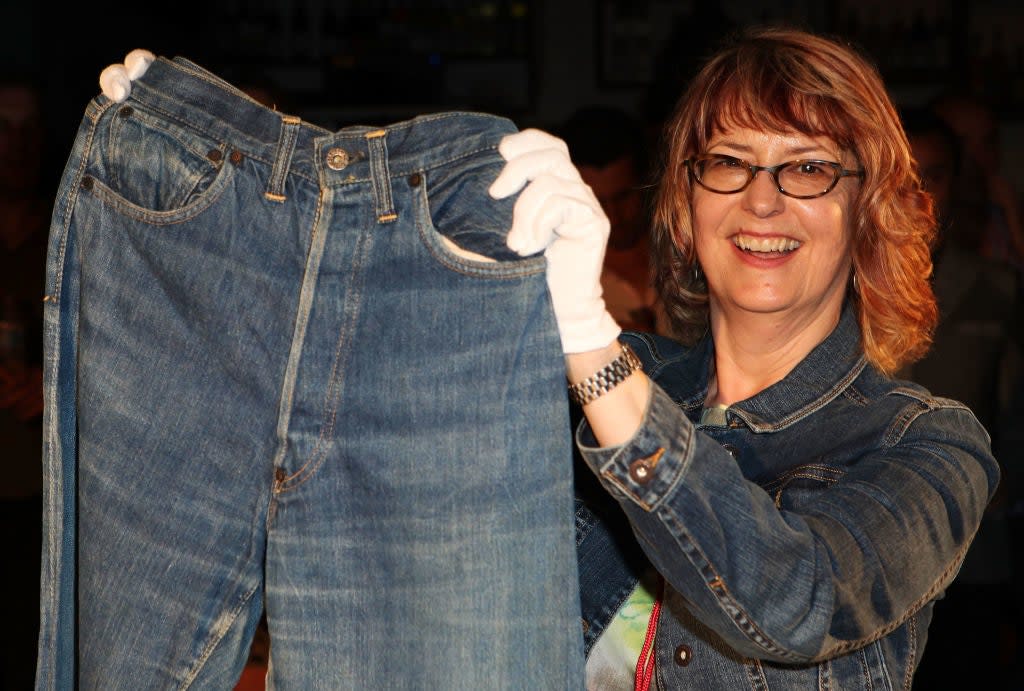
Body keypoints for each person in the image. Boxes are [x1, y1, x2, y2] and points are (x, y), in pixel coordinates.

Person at [489, 26, 1000, 689]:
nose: (762, 200)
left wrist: (588, 338)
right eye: (730, 161)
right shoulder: (585, 391)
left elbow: (802, 600)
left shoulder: (928, 444)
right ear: (685, 204)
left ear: (867, 211)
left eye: (809, 167)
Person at [900, 105, 1024, 689]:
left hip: (970, 550)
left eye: (935, 175)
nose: (918, 195)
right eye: (904, 176)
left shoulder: (996, 290)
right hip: (873, 549)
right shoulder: (833, 286)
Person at [0, 72, 48, 691]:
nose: (14, 145)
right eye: (2, 130)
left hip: (45, 503)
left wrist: (58, 385)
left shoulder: (74, 236)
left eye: (26, 130)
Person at [557, 105, 668, 335]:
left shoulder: (690, 251)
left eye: (624, 197)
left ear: (647, 183)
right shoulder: (559, 274)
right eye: (596, 201)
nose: (613, 216)